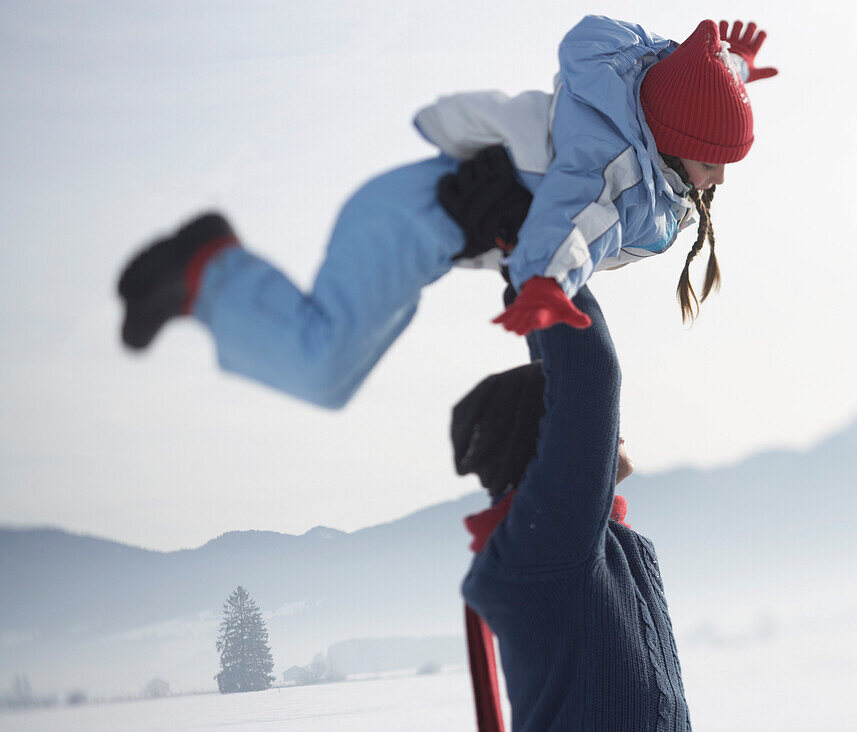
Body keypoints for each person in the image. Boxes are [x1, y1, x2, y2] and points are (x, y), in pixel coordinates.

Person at [117, 17, 777, 408]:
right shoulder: (604, 166)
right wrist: (545, 284)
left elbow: (673, 91)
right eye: (709, 160)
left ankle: (203, 287)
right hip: (403, 225)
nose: (716, 179)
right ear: (668, 140)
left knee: (330, 370)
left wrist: (724, 71)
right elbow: (566, 225)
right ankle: (208, 268)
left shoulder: (642, 121)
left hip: (420, 237)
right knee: (321, 367)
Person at [452, 284, 688, 730]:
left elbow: (573, 382)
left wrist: (527, 286)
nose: (612, 427)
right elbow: (590, 375)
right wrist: (549, 266)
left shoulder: (563, 540)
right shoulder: (552, 542)